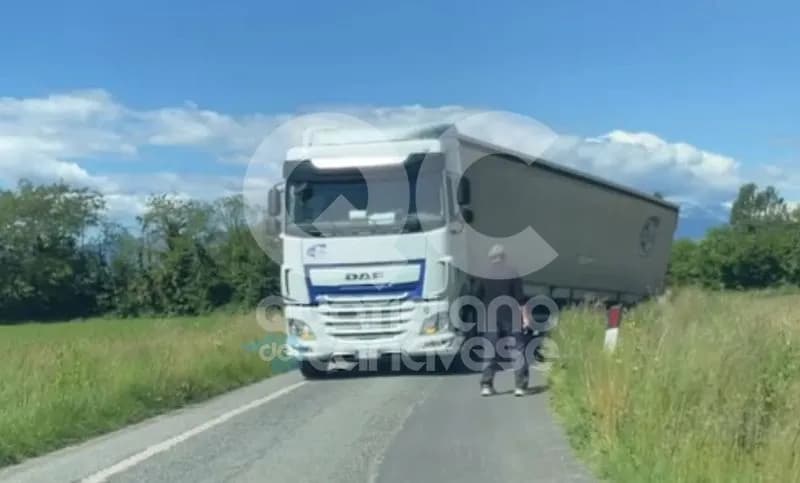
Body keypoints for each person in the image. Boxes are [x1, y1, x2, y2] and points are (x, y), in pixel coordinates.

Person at [476, 244, 531, 397]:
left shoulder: (484, 274)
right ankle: (520, 387)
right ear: (504, 257)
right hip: (511, 316)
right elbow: (520, 299)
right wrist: (526, 318)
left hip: (491, 317)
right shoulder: (512, 272)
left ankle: (486, 386)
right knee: (517, 351)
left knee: (489, 351)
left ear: (490, 258)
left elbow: (477, 297)